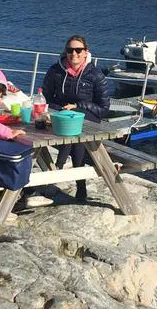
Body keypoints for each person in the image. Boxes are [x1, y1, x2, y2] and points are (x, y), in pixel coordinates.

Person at [41, 34, 110, 201]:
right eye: (70, 50)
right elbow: (46, 97)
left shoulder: (95, 74)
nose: (74, 54)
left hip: (88, 116)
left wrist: (78, 107)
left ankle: (69, 178)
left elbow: (104, 108)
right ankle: (68, 179)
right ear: (65, 52)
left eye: (78, 50)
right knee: (68, 124)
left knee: (75, 130)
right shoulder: (55, 71)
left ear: (86, 52)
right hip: (62, 114)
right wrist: (61, 110)